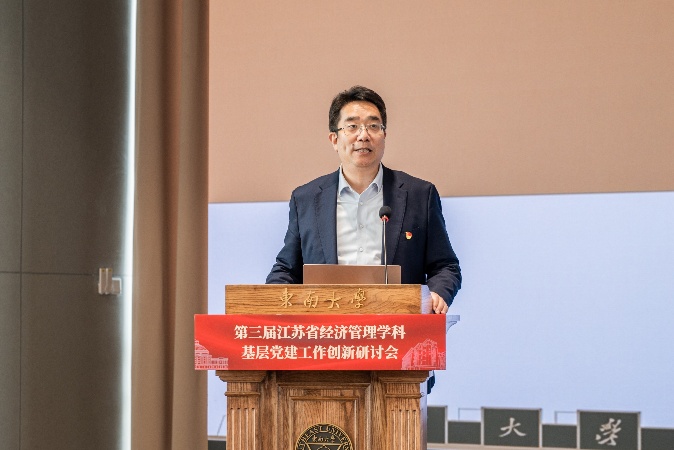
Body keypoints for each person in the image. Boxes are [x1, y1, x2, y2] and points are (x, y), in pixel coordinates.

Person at [266, 85, 461, 314]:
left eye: (373, 126)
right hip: (329, 328)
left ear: (384, 136)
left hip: (397, 328)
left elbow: (445, 266)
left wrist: (438, 293)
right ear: (334, 139)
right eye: (352, 126)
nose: (363, 135)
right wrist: (270, 300)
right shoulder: (306, 199)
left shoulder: (419, 194)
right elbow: (287, 269)